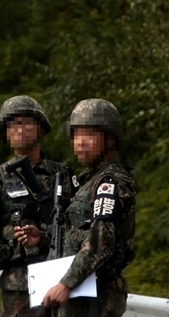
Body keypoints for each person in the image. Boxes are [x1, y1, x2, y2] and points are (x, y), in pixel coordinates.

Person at [0, 95, 78, 317]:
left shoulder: (62, 175)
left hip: (64, 281)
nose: (19, 129)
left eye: (25, 122)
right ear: (6, 134)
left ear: (41, 128)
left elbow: (80, 229)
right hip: (20, 286)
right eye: (12, 124)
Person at [27, 99, 135, 316]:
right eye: (76, 135)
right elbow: (79, 238)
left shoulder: (110, 183)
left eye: (89, 135)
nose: (80, 143)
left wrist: (67, 283)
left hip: (97, 297)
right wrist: (44, 239)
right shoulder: (87, 182)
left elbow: (100, 242)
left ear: (110, 139)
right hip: (77, 295)